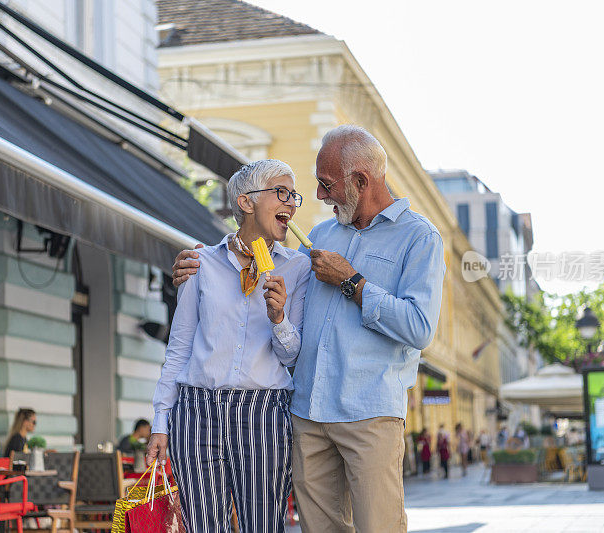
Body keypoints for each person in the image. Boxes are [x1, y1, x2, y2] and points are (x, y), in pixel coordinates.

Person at [173, 125, 445, 532]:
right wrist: (205, 259)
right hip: (306, 414)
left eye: (326, 184)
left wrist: (353, 282)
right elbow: (263, 274)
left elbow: (420, 328)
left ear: (360, 181)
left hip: (368, 413)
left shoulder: (418, 237)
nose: (318, 196)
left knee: (379, 526)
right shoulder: (320, 234)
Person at [146, 160, 311, 532]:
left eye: (293, 195)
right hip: (197, 410)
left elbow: (292, 356)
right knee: (204, 525)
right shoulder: (199, 262)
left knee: (263, 525)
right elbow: (179, 348)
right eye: (281, 192)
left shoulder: (296, 268)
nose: (291, 203)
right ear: (247, 202)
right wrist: (160, 421)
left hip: (263, 410)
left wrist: (279, 317)